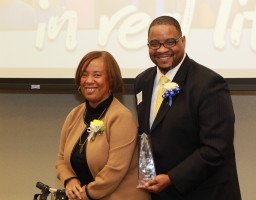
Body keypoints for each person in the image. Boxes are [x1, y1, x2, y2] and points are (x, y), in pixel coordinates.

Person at [134, 16, 241, 200]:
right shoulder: (142, 81)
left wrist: (172, 179)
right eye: (154, 44)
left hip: (203, 192)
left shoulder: (209, 84)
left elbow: (216, 148)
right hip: (159, 193)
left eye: (170, 42)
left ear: (183, 41)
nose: (162, 50)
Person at [56, 51, 150, 200]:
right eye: (84, 75)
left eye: (97, 75)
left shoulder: (121, 117)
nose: (89, 80)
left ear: (111, 81)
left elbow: (114, 171)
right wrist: (69, 180)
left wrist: (83, 194)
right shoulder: (75, 114)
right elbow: (61, 159)